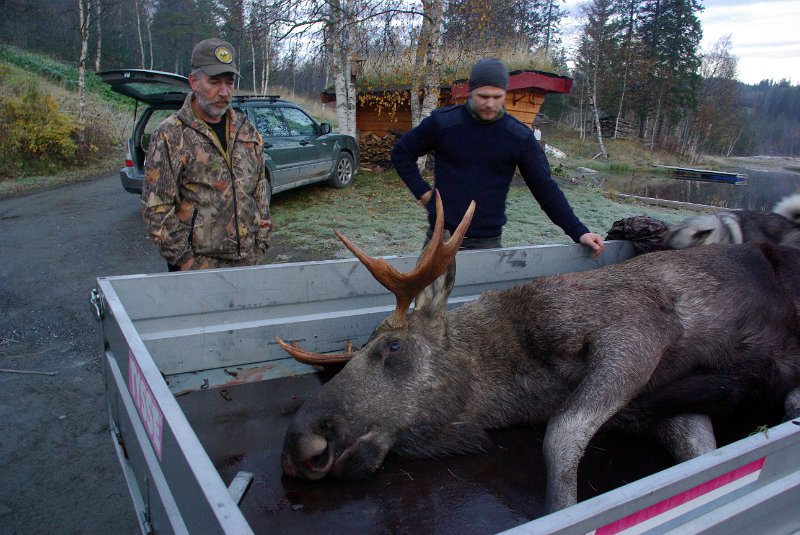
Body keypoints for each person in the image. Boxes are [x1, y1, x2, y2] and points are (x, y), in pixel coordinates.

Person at [391, 57, 604, 255]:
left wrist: (579, 231)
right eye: (483, 96)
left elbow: (545, 188)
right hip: (440, 238)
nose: (490, 104)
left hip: (486, 244)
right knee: (430, 297)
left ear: (505, 93)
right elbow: (401, 153)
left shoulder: (518, 136)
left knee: (482, 297)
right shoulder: (443, 123)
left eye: (497, 97)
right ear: (470, 92)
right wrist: (425, 194)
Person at [142, 38, 272, 271]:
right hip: (199, 267)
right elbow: (157, 208)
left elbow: (259, 191)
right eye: (215, 82)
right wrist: (185, 261)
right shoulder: (170, 135)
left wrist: (261, 239)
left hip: (249, 262)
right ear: (194, 81)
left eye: (229, 82)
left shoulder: (247, 131)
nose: (224, 91)